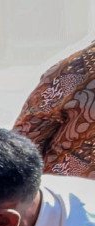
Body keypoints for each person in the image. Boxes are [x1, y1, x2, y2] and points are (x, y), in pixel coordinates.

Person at [14, 41, 95, 179]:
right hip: (64, 186)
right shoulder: (75, 70)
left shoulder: (74, 68)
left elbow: (27, 134)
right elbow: (26, 137)